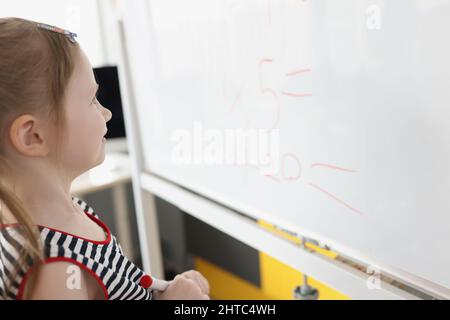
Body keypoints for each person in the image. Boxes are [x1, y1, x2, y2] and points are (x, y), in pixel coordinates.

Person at [0, 17, 210, 300]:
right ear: (32, 136)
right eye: (91, 100)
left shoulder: (72, 212)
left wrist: (166, 291)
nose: (106, 113)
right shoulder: (57, 271)